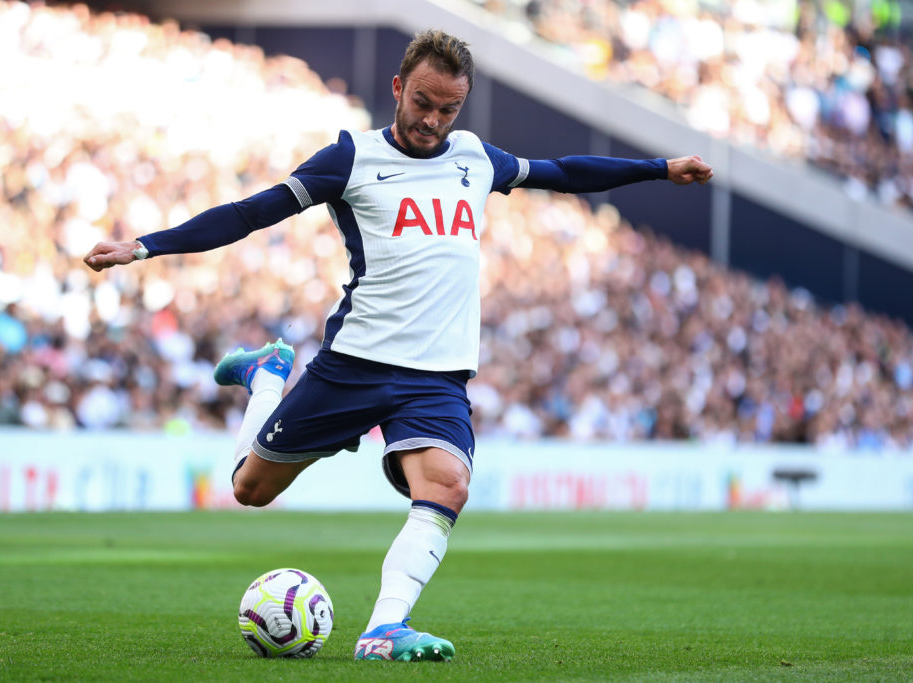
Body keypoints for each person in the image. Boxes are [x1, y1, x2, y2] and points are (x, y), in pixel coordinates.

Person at [84, 29, 713, 662]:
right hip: (355, 363)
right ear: (397, 88)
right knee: (250, 490)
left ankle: (384, 629)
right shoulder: (349, 158)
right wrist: (148, 245)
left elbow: (564, 174)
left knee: (447, 487)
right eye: (423, 103)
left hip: (437, 375)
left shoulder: (474, 157)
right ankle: (269, 376)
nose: (433, 121)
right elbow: (252, 212)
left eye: (448, 110)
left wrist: (659, 168)